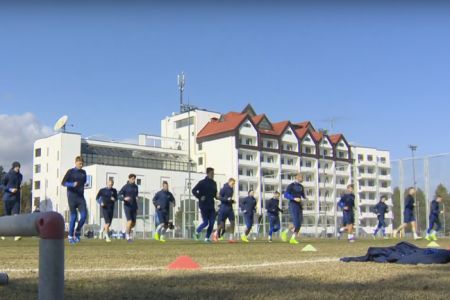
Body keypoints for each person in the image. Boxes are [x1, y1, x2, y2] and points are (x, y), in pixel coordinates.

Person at [61, 156, 87, 245]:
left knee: (84, 216)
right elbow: (63, 183)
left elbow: (84, 183)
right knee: (74, 216)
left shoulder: (84, 172)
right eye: (80, 163)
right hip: (72, 197)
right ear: (76, 162)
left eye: (82, 163)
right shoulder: (70, 171)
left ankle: (78, 231)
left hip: (80, 197)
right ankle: (70, 236)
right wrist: (72, 184)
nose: (81, 165)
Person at [192, 167, 218, 243]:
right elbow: (193, 190)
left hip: (211, 205)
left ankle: (207, 238)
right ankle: (197, 231)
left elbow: (215, 195)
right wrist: (200, 197)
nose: (213, 175)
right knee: (206, 222)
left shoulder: (214, 183)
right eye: (211, 173)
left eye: (213, 173)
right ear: (207, 173)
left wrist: (219, 198)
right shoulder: (202, 182)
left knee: (212, 222)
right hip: (203, 205)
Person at [282, 173, 307, 244]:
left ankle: (292, 238)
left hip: (299, 205)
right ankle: (285, 233)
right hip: (293, 205)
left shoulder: (301, 186)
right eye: (301, 177)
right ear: (297, 177)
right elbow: (285, 195)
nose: (302, 178)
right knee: (296, 223)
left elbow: (303, 195)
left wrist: (305, 198)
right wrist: (294, 198)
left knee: (299, 222)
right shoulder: (291, 185)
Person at [1, 161, 23, 241]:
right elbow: (1, 185)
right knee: (7, 217)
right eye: (17, 167)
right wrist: (10, 189)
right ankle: (3, 233)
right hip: (7, 198)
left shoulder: (20, 176)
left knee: (16, 216)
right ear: (13, 167)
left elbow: (18, 185)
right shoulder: (7, 175)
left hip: (16, 199)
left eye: (19, 167)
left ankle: (16, 235)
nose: (18, 168)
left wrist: (19, 188)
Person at [213, 178, 237, 243]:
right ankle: (215, 234)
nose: (233, 185)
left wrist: (232, 201)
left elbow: (229, 198)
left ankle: (231, 238)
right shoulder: (224, 188)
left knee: (233, 222)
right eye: (232, 183)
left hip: (230, 208)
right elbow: (219, 197)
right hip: (224, 208)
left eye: (234, 184)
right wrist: (227, 199)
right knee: (221, 225)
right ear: (229, 182)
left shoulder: (232, 189)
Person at [119, 174, 139, 242]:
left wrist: (136, 197)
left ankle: (126, 231)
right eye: (132, 179)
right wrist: (124, 198)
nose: (133, 180)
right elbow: (119, 195)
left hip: (134, 206)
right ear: (129, 179)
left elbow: (136, 195)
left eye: (134, 179)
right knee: (129, 221)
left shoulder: (136, 187)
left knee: (133, 224)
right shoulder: (125, 187)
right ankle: (127, 237)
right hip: (127, 206)